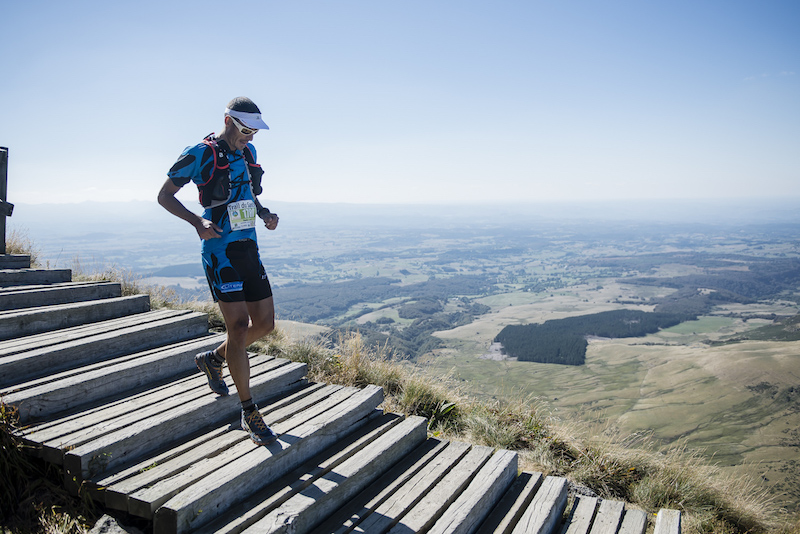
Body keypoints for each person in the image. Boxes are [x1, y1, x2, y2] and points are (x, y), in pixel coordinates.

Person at [158, 97, 280, 446]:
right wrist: (196, 221)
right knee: (239, 327)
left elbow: (248, 194)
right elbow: (164, 195)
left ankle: (213, 359)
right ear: (228, 120)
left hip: (248, 247)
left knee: (266, 324)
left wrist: (265, 213)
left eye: (255, 131)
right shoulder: (200, 152)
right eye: (245, 130)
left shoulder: (248, 154)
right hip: (219, 251)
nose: (250, 138)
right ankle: (249, 410)